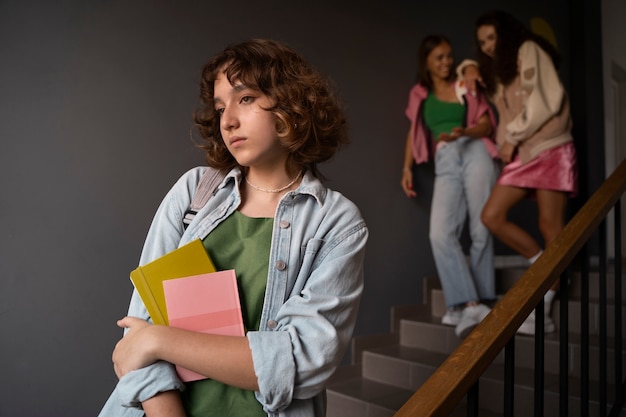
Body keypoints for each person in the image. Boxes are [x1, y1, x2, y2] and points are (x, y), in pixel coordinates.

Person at [97, 38, 368, 417]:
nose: (227, 120)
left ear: (291, 105)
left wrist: (161, 339)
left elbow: (302, 362)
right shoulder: (196, 192)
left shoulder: (336, 223)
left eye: (245, 99)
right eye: (221, 106)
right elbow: (136, 336)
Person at [460, 10, 578, 335]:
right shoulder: (497, 70)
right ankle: (544, 267)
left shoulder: (528, 50)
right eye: (482, 41)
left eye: (492, 38)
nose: (486, 46)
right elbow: (474, 81)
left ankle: (548, 301)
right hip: (523, 151)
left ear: (506, 34)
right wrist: (468, 67)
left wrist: (510, 136)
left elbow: (546, 100)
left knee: (548, 224)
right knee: (491, 216)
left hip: (550, 145)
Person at [400, 34, 499, 339]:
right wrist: (406, 167)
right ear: (426, 62)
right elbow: (413, 130)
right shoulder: (420, 93)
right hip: (445, 159)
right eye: (439, 57)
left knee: (481, 227)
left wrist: (463, 132)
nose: (446, 62)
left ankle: (475, 302)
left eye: (448, 56)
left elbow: (486, 123)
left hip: (474, 150)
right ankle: (469, 302)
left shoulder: (464, 84)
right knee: (440, 233)